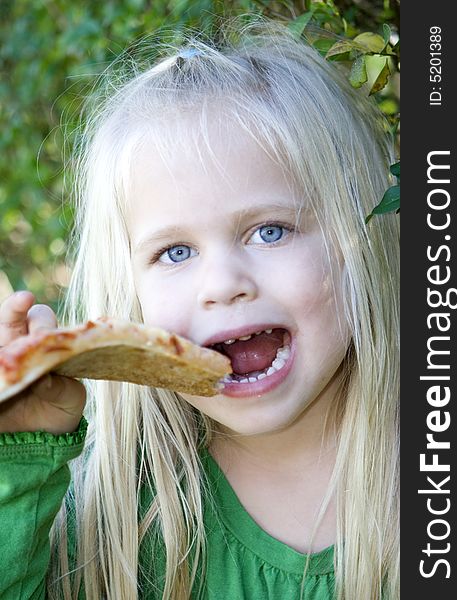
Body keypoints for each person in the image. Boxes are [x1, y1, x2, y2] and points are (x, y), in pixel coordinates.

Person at [0, 19, 399, 600]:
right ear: (129, 295)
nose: (222, 285)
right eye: (175, 251)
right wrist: (18, 460)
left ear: (356, 239)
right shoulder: (118, 521)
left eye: (269, 231)